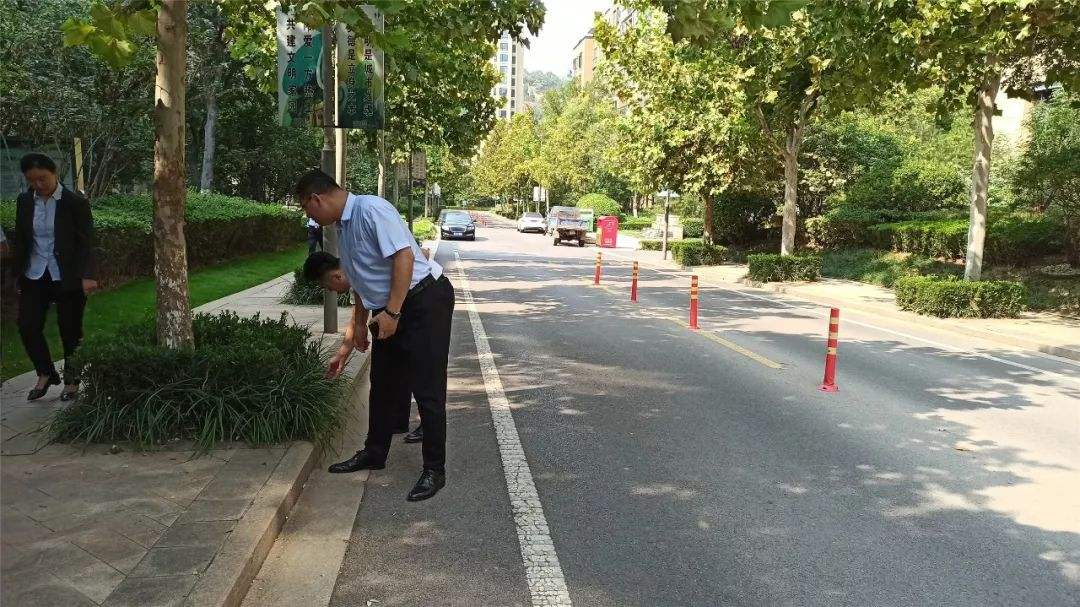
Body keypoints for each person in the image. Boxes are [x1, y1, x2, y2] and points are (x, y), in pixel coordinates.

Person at [297, 169, 454, 502]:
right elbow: (361, 285)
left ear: (317, 198)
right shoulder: (344, 227)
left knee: (427, 388)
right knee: (382, 385)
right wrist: (349, 342)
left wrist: (394, 313)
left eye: (308, 210)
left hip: (424, 300)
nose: (310, 217)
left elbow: (404, 257)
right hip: (391, 308)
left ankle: (434, 470)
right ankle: (374, 452)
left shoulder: (371, 210)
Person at [13, 153, 97, 401]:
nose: (38, 185)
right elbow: (22, 239)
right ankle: (46, 373)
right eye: (32, 180)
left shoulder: (74, 202)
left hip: (67, 276)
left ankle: (72, 381)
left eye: (43, 179)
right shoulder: (25, 201)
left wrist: (88, 275)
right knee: (27, 325)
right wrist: (17, 274)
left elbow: (87, 243)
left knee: (70, 329)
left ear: (55, 174)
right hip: (35, 274)